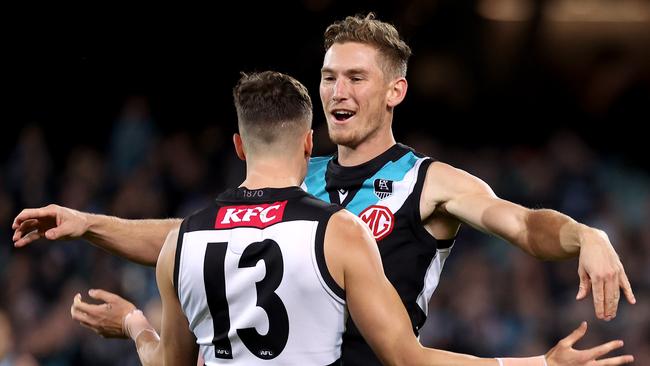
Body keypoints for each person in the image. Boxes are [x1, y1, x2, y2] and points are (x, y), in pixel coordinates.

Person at [12, 13, 635, 366]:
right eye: (330, 77)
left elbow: (524, 225)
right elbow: (192, 238)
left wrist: (585, 234)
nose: (339, 92)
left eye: (357, 79)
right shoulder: (291, 177)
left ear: (396, 92)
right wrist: (88, 222)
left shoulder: (429, 181)